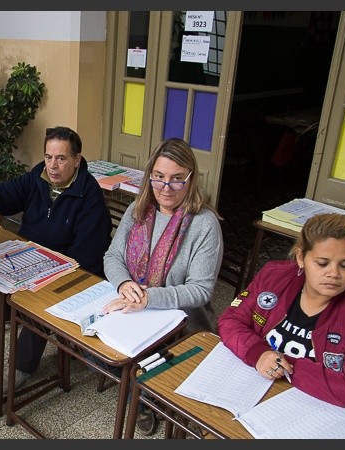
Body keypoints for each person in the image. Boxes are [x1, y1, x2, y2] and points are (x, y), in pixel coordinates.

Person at [0, 126, 113, 391]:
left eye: (61, 158)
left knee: (36, 304)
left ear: (77, 160)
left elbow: (87, 256)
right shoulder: (38, 177)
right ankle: (8, 317)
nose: (53, 166)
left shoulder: (89, 196)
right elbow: (4, 195)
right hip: (32, 255)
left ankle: (22, 366)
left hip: (71, 269)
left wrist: (49, 274)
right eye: (48, 157)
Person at [101, 137, 223, 435]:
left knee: (135, 362)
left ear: (191, 179)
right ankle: (142, 392)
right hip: (133, 308)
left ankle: (143, 399)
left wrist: (146, 297)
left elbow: (200, 290)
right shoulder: (138, 210)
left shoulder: (204, 224)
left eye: (177, 179)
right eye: (159, 177)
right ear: (150, 176)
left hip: (182, 323)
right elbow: (112, 256)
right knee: (90, 345)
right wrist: (125, 282)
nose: (166, 188)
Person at [218, 213, 345, 413]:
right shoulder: (274, 275)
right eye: (322, 263)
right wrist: (258, 353)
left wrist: (286, 365)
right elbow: (230, 320)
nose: (334, 273)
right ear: (301, 257)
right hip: (261, 390)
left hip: (323, 408)